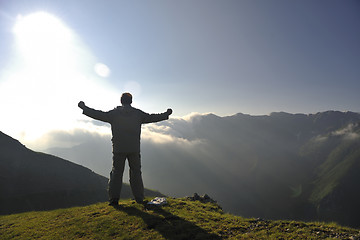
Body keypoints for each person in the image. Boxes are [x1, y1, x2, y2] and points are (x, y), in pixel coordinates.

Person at [78, 93, 172, 206]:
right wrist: (166, 114)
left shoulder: (114, 114)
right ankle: (139, 198)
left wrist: (84, 108)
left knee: (116, 174)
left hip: (118, 149)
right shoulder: (138, 114)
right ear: (131, 101)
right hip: (134, 149)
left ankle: (114, 200)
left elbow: (98, 114)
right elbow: (152, 117)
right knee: (136, 173)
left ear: (121, 101)